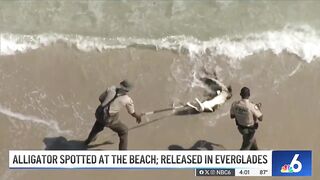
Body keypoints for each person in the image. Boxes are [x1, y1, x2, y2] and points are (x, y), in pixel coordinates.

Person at [84, 80, 142, 150]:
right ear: (128, 90)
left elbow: (100, 98)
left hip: (99, 112)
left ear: (121, 84)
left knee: (98, 126)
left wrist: (108, 105)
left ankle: (87, 142)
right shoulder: (127, 100)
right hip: (108, 119)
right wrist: (137, 116)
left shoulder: (111, 88)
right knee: (124, 131)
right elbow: (132, 112)